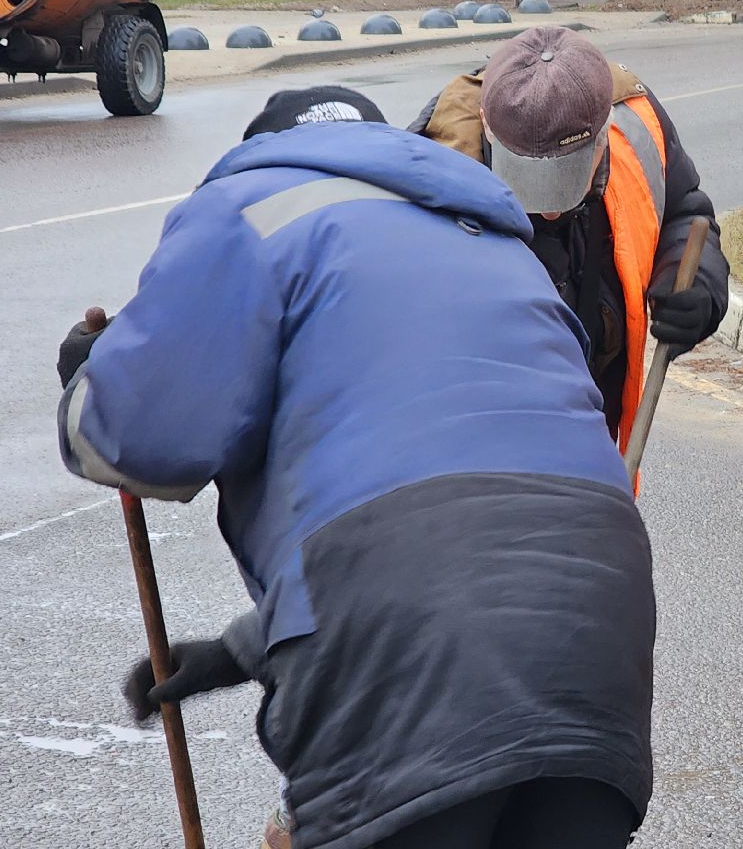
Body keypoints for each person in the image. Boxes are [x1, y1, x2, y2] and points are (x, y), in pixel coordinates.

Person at [55, 86, 656, 849]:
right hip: (600, 611)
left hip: (409, 653)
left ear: (264, 148)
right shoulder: (492, 233)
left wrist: (92, 376)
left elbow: (135, 435)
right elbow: (452, 504)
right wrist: (244, 650)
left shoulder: (250, 203)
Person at [409, 25, 729, 447]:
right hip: (485, 450)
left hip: (593, 433)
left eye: (565, 180)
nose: (551, 210)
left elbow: (685, 212)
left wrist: (695, 287)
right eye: (529, 183)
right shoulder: (428, 177)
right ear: (488, 127)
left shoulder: (633, 121)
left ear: (602, 136)